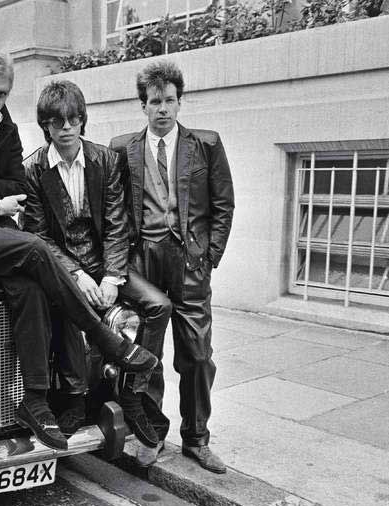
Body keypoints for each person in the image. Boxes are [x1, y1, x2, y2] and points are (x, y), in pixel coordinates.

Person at [0, 50, 159, 452]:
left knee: (30, 287)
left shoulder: (7, 129)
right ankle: (105, 338)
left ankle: (35, 397)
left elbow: (18, 189)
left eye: (2, 93)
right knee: (33, 247)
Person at [22, 80, 173, 466]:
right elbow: (39, 236)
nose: (67, 128)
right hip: (63, 266)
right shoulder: (34, 169)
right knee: (74, 312)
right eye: (58, 122)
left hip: (104, 261)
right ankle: (74, 400)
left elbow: (118, 224)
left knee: (159, 306)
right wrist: (75, 275)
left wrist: (111, 276)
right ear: (47, 126)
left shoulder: (105, 160)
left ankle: (132, 390)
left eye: (74, 119)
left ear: (82, 121)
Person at [110, 60, 235, 474]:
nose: (162, 109)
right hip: (144, 259)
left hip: (189, 262)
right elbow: (114, 211)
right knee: (147, 354)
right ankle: (151, 434)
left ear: (180, 102)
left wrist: (209, 256)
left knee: (198, 355)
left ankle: (197, 439)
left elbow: (223, 204)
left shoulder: (206, 145)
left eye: (169, 101)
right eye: (154, 102)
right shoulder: (121, 148)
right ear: (142, 106)